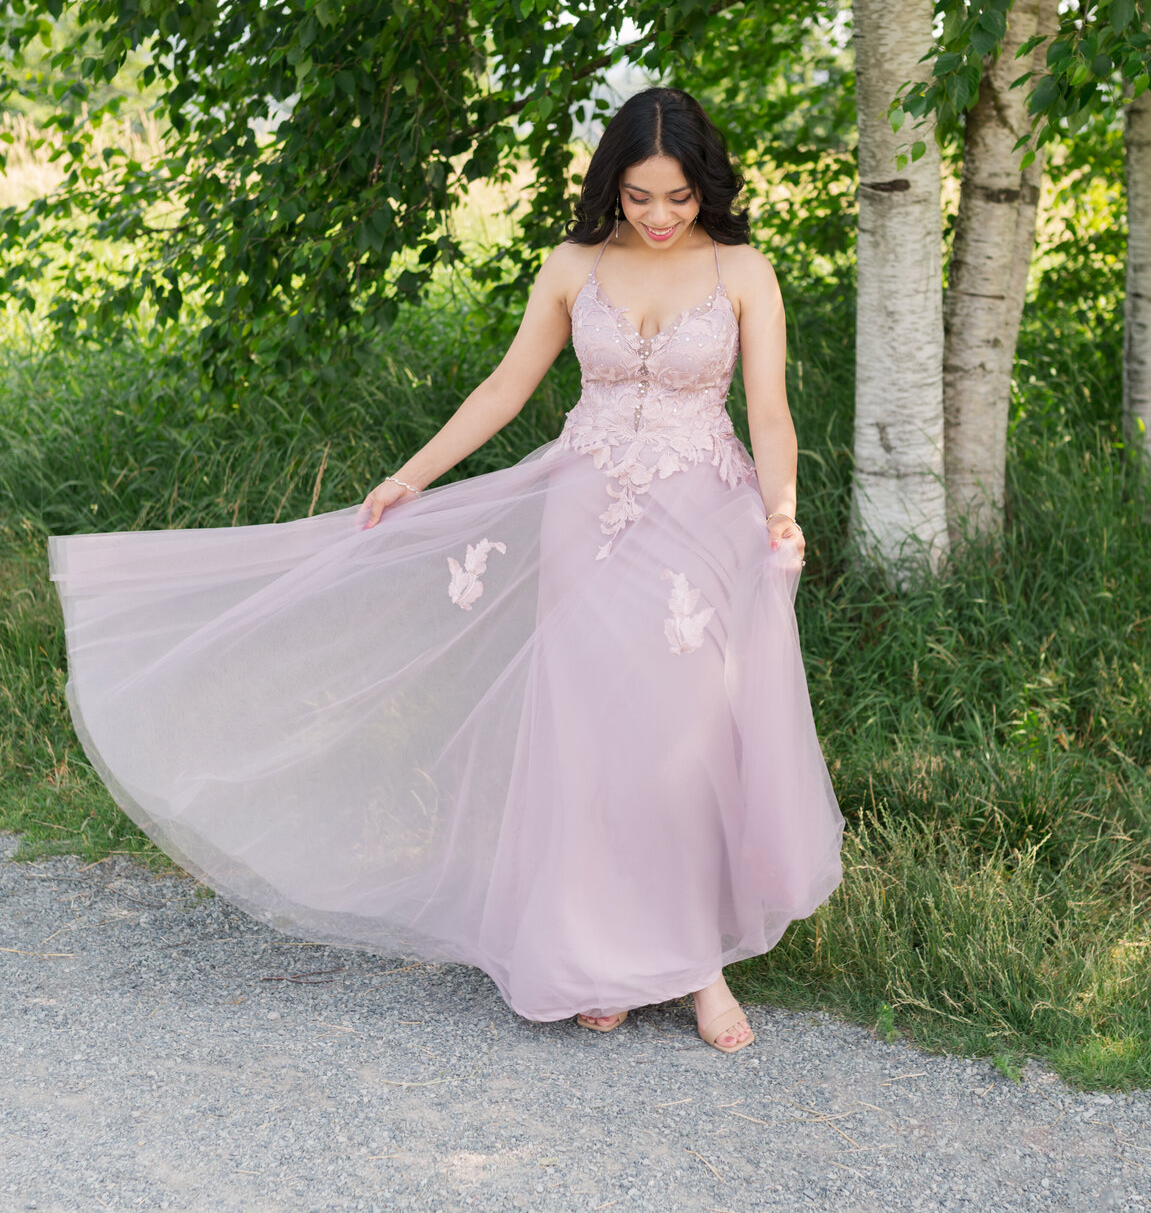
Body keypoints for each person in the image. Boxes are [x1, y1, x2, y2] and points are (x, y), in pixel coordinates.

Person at [50, 88, 844, 1054]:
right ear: (612, 187)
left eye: (677, 196)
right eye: (639, 196)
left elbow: (770, 412)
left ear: (704, 186)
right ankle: (602, 953)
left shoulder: (743, 271)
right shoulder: (573, 266)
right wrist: (412, 475)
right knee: (590, 739)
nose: (659, 216)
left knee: (682, 743)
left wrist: (781, 509)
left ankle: (697, 967)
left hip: (700, 526)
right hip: (586, 520)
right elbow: (506, 387)